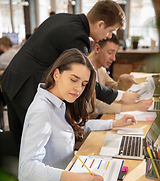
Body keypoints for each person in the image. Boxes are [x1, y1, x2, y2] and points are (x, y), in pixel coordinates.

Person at [0, 0, 139, 158]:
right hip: (26, 88)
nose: (109, 36)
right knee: (33, 144)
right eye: (110, 31)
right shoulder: (78, 38)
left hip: (12, 80)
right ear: (100, 24)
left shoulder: (64, 18)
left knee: (21, 140)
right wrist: (120, 95)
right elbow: (88, 81)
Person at [18, 48, 137, 181]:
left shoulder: (58, 100)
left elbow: (75, 126)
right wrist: (74, 178)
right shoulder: (42, 110)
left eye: (83, 84)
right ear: (56, 74)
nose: (78, 89)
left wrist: (114, 123)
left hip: (64, 180)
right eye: (74, 79)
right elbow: (27, 168)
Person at [88, 34, 153, 116]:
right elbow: (95, 105)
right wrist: (134, 107)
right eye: (110, 53)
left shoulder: (101, 69)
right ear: (97, 49)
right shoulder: (83, 71)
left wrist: (122, 80)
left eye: (115, 54)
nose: (113, 58)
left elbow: (111, 92)